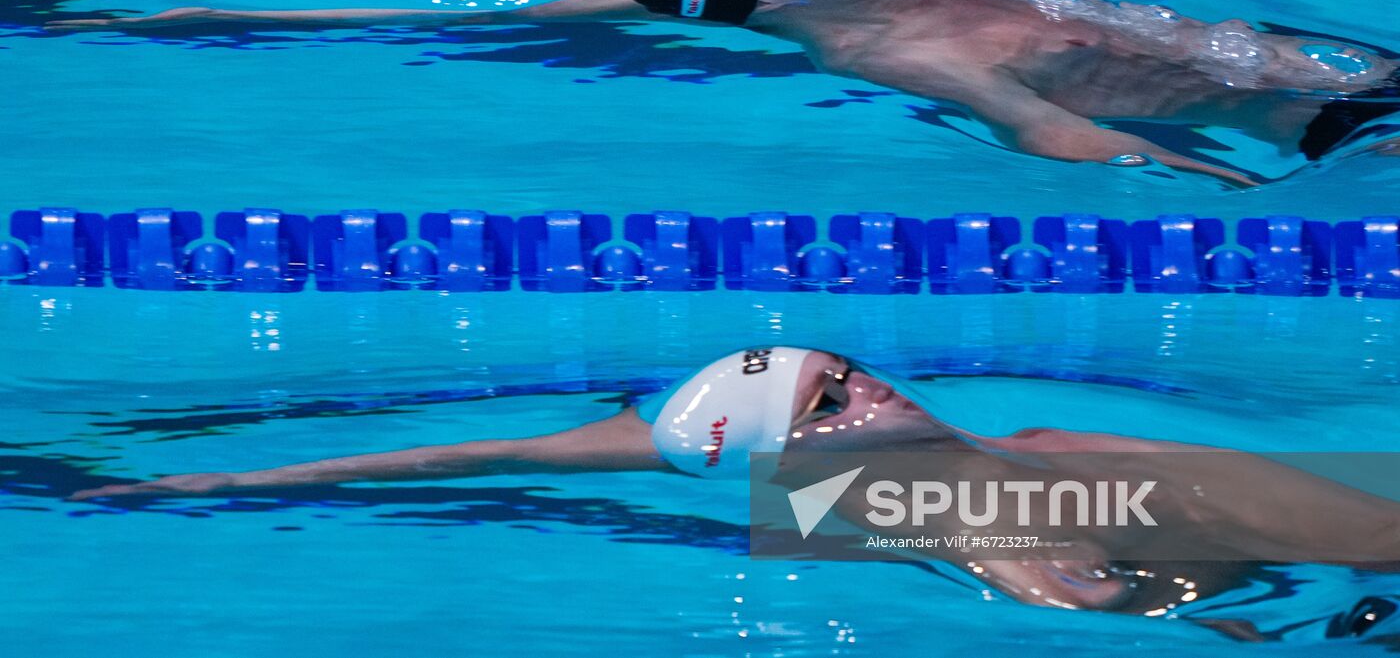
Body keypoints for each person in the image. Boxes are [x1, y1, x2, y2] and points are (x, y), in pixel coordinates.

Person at [69, 346, 1400, 636]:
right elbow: (500, 455)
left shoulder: (1054, 446)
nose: (874, 394)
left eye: (857, 373)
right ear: (795, 453)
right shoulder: (917, 518)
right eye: (833, 405)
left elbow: (527, 453)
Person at [46, 0, 1400, 187]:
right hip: (1326, 119)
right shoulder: (881, 47)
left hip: (1318, 68)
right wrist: (1231, 195)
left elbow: (485, 13)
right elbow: (1052, 133)